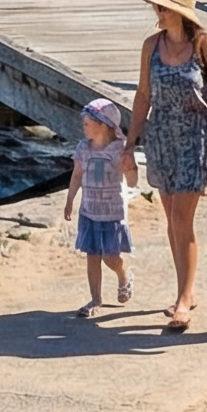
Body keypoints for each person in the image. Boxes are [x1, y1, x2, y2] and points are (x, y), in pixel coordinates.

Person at [125, 0, 207, 332]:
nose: (158, 11)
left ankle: (183, 300)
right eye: (158, 6)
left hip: (196, 136)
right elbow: (142, 96)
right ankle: (187, 288)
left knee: (183, 218)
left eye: (164, 7)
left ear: (181, 12)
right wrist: (130, 141)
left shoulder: (205, 47)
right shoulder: (152, 45)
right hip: (161, 135)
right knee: (172, 220)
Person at [62, 99, 137, 316]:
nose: (83, 127)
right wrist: (70, 200)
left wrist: (130, 169)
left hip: (112, 212)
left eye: (87, 123)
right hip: (89, 211)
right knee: (92, 255)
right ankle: (95, 299)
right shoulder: (83, 148)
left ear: (103, 125)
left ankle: (123, 274)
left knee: (110, 256)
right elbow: (77, 175)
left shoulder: (118, 150)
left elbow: (132, 182)